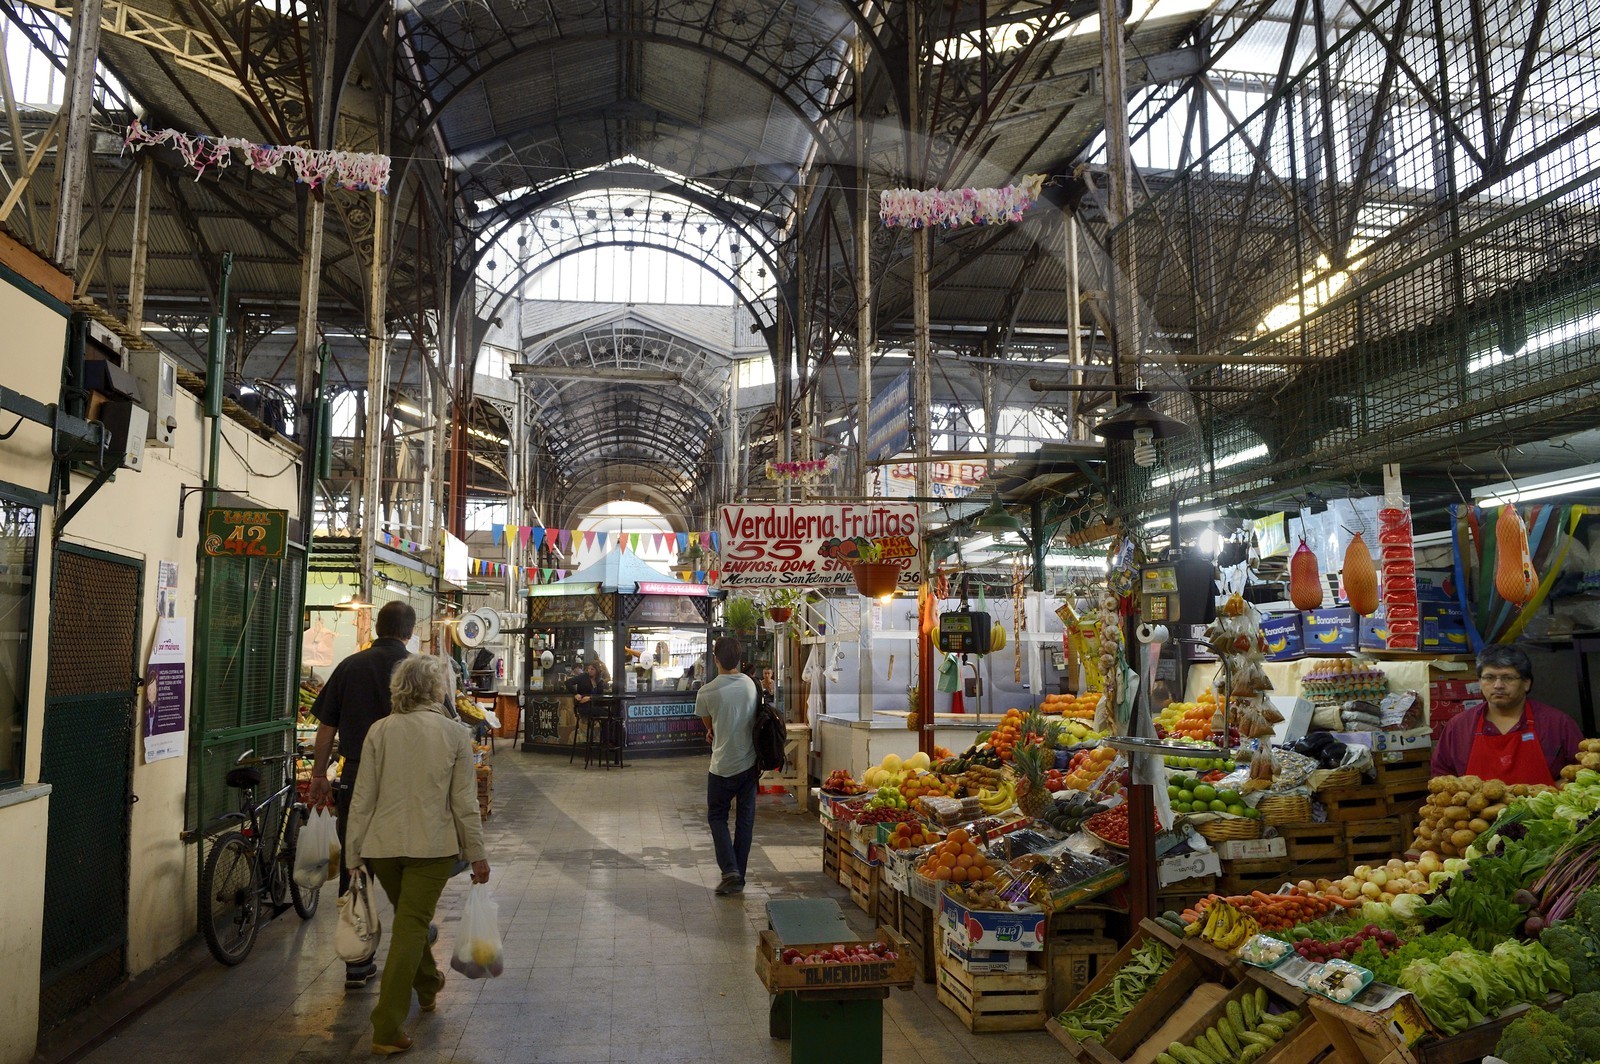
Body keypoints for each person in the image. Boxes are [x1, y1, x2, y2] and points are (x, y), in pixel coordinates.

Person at [344, 655, 490, 1056]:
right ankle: (387, 1025)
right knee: (411, 926)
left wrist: (353, 851)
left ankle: (427, 985)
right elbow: (464, 803)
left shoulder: (379, 731)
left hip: (382, 850)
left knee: (410, 921)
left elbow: (363, 797)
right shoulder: (454, 734)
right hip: (432, 849)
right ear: (436, 689)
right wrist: (476, 854)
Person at [309, 600, 415, 989]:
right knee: (409, 862)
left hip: (355, 777)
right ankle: (415, 951)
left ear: (377, 629)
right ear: (408, 632)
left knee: (356, 863)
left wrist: (320, 774)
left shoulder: (349, 666)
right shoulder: (416, 671)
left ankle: (357, 962)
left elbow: (326, 729)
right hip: (406, 780)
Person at [1431, 644, 1584, 785]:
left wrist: (1560, 789)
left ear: (1526, 683)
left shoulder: (1557, 723)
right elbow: (1441, 776)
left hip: (1544, 813)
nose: (1498, 685)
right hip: (1477, 814)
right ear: (1479, 682)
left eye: (1508, 678)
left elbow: (1584, 772)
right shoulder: (1459, 726)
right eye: (1489, 678)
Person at [695, 636, 760, 896]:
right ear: (739, 658)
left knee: (717, 817)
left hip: (722, 766)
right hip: (749, 764)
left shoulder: (706, 692)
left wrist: (713, 731)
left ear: (716, 659)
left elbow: (709, 726)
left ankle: (730, 871)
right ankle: (738, 875)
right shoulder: (751, 684)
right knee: (745, 820)